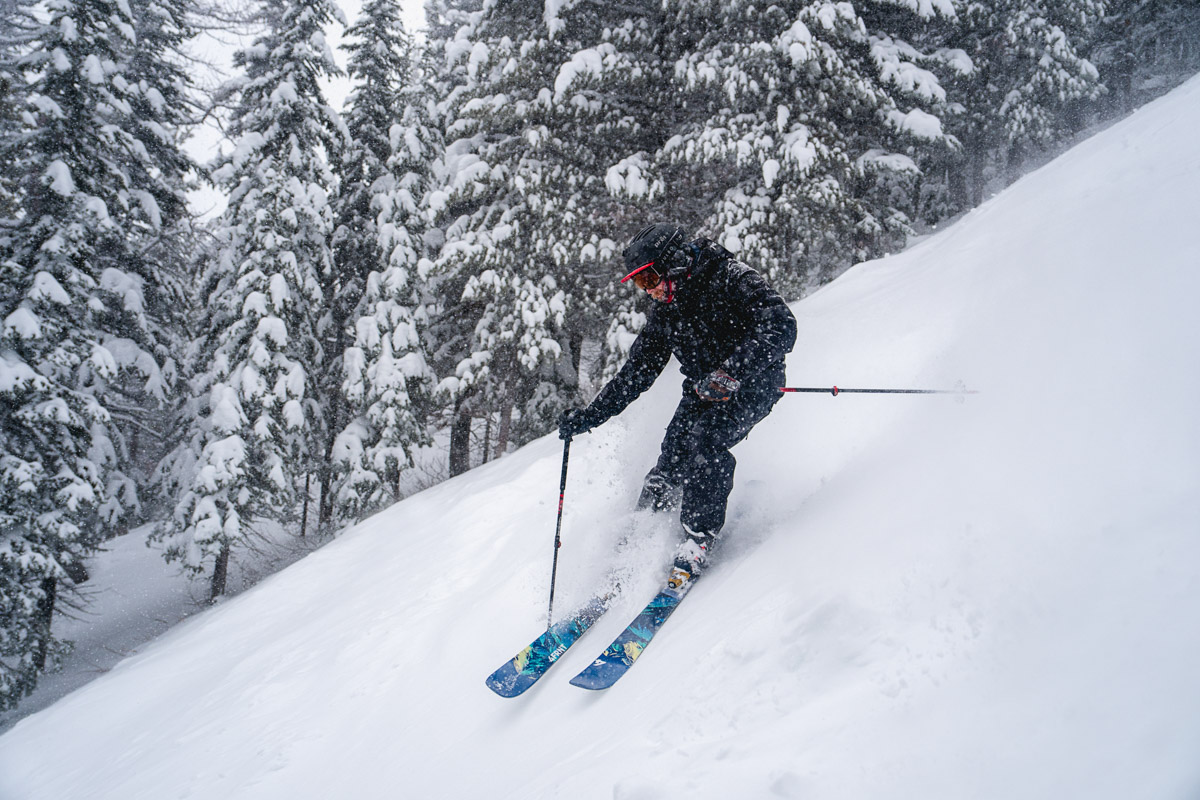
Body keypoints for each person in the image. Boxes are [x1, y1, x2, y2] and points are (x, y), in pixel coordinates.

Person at [558, 223, 797, 587]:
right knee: (669, 460)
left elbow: (781, 325)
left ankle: (697, 538)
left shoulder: (729, 277)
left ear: (674, 263)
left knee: (706, 442)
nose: (649, 290)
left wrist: (731, 372)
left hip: (754, 382)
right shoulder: (666, 311)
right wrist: (591, 416)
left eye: (650, 277)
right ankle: (640, 537)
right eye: (640, 283)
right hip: (703, 389)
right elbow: (636, 373)